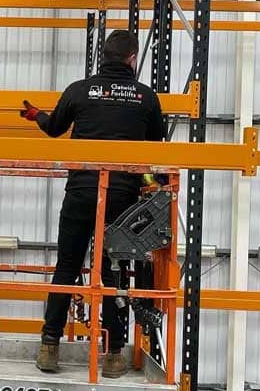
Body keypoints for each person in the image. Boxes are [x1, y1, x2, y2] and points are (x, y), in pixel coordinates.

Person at [20, 30, 166, 378]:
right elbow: (156, 147)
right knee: (112, 271)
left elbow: (54, 128)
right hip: (121, 201)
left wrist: (37, 115)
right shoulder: (146, 98)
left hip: (81, 193)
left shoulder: (79, 90)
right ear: (132, 59)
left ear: (104, 56)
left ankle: (49, 346)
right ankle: (113, 355)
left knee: (67, 267)